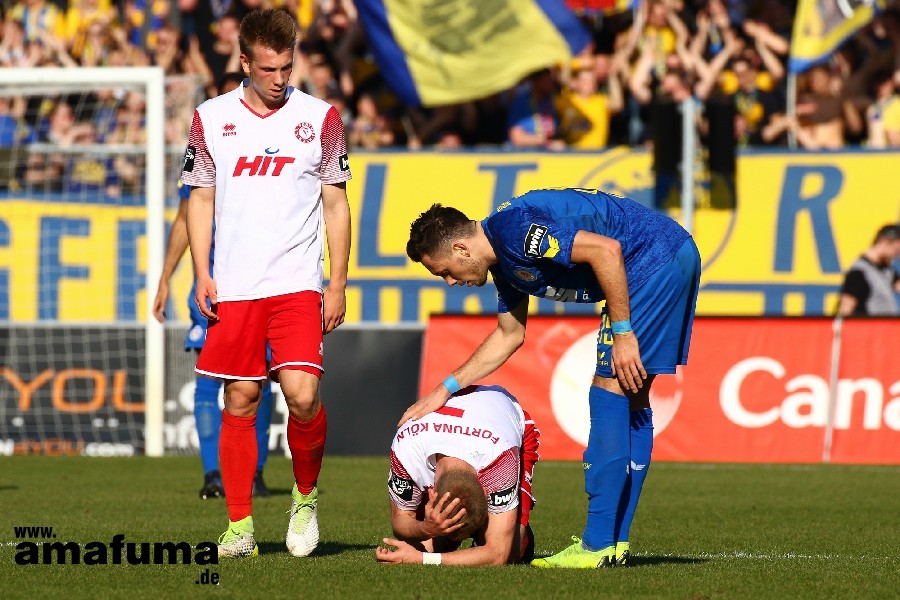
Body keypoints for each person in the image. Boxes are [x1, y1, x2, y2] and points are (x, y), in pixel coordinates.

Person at [403, 188, 701, 568]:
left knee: (608, 393)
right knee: (632, 397)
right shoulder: (504, 261)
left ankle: (596, 547)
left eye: (444, 270)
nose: (449, 281)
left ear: (461, 248)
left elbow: (605, 250)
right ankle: (615, 543)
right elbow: (509, 335)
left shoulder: (514, 232)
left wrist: (623, 333)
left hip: (650, 262)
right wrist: (442, 391)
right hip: (667, 254)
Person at [181, 8, 352, 559]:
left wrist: (339, 281)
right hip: (235, 285)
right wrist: (202, 272)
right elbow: (200, 198)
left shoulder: (320, 118)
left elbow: (335, 202)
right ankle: (239, 526)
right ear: (245, 61)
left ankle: (304, 500)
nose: (280, 78)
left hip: (298, 281)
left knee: (302, 395)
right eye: (270, 69)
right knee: (241, 396)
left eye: (288, 66)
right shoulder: (210, 118)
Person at [152, 179, 274, 500]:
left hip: (259, 288)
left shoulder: (261, 148)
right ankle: (212, 475)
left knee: (259, 381)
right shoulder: (202, 152)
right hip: (212, 292)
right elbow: (183, 218)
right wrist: (165, 278)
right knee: (207, 380)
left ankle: (255, 473)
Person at [375, 384, 540, 566]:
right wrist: (425, 528)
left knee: (512, 555)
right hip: (461, 430)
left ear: (487, 493)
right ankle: (455, 535)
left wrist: (421, 559)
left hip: (504, 422)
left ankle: (484, 529)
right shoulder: (405, 451)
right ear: (431, 495)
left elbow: (499, 555)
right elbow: (400, 520)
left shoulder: (500, 461)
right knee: (421, 544)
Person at [837, 224, 900, 317]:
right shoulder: (858, 274)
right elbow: (845, 310)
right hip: (870, 329)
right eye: (896, 250)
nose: (897, 256)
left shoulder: (886, 270)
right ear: (884, 242)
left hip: (887, 329)